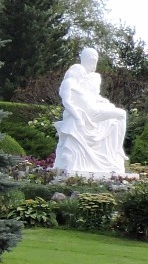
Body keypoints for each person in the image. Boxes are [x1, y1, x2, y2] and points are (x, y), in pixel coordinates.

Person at [53, 47, 128, 178]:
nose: (93, 61)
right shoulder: (72, 81)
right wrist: (77, 116)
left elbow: (93, 96)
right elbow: (67, 101)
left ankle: (116, 152)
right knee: (121, 114)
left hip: (94, 108)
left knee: (119, 116)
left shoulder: (95, 77)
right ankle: (115, 152)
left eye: (95, 58)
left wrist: (104, 102)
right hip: (88, 112)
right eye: (90, 58)